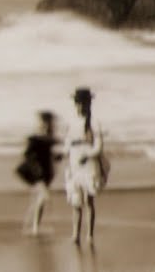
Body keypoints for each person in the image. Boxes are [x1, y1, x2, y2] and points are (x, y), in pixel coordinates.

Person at [63, 87, 104, 248]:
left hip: (89, 164)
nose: (79, 107)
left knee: (88, 200)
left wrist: (87, 156)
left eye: (82, 104)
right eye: (77, 104)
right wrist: (64, 154)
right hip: (75, 163)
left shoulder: (94, 123)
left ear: (88, 104)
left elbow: (99, 147)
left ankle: (90, 235)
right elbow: (67, 144)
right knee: (75, 201)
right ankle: (75, 234)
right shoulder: (72, 122)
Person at [18, 111, 60, 236]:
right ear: (41, 123)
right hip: (36, 172)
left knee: (38, 199)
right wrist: (34, 162)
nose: (47, 126)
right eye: (44, 123)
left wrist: (57, 157)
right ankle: (33, 226)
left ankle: (31, 226)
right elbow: (26, 154)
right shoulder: (35, 138)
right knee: (43, 197)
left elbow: (51, 155)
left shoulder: (50, 138)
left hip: (47, 172)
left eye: (49, 123)